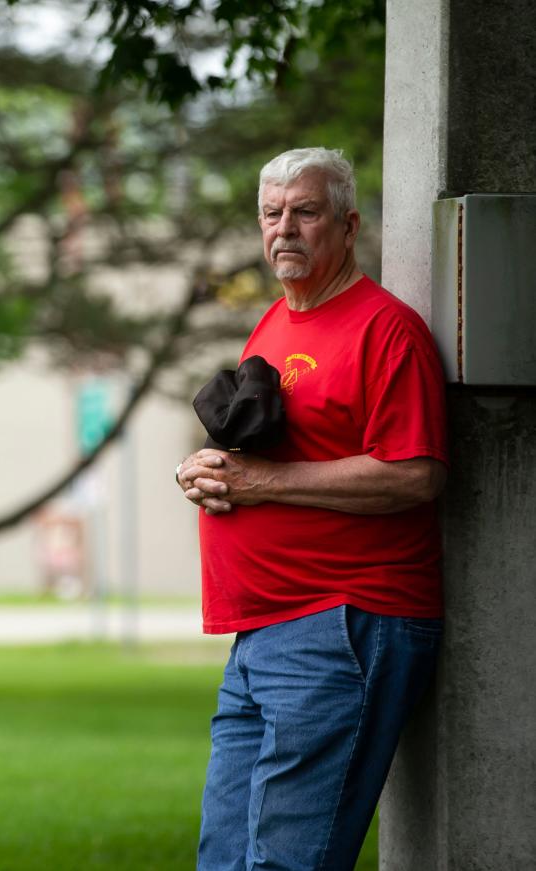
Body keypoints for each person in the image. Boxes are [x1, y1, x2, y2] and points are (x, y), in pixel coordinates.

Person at [175, 147, 447, 871]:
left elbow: (413, 475)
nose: (285, 229)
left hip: (340, 623)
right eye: (272, 213)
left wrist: (263, 484)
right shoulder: (276, 320)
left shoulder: (386, 330)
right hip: (260, 634)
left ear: (349, 223)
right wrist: (205, 471)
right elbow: (262, 454)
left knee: (285, 863)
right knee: (223, 859)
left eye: (306, 211)